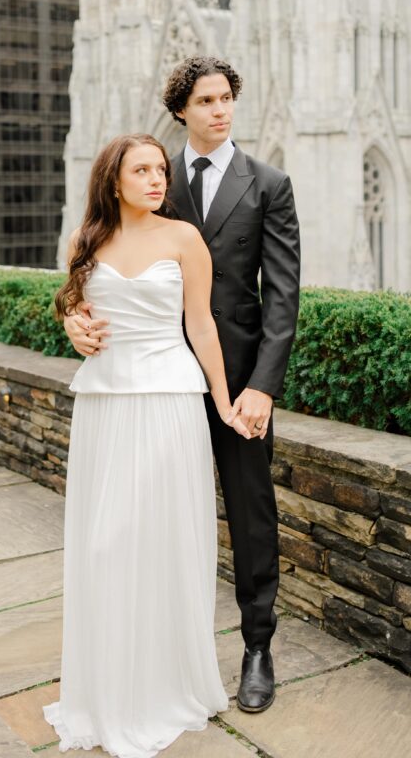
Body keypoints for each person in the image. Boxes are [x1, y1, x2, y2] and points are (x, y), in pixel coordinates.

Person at [64, 57, 301, 715]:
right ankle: (153, 656)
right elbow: (99, 260)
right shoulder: (149, 178)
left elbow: (282, 297)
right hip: (152, 381)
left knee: (251, 514)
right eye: (205, 100)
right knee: (144, 521)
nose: (219, 110)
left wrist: (262, 387)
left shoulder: (268, 184)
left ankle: (257, 649)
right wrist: (72, 319)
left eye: (226, 98)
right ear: (180, 111)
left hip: (238, 381)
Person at [44, 132, 251, 758]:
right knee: (105, 543)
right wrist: (73, 326)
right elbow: (74, 309)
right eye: (142, 170)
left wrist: (222, 400)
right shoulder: (87, 241)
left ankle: (165, 686)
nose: (158, 179)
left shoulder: (184, 239)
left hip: (169, 403)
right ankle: (109, 690)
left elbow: (201, 322)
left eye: (161, 169)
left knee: (162, 540)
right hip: (106, 405)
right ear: (114, 180)